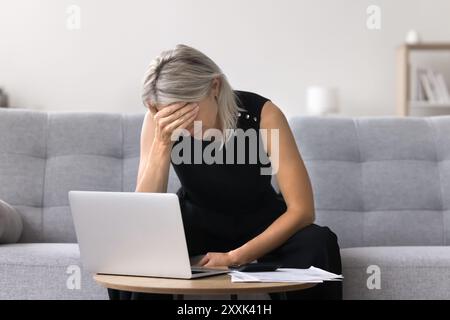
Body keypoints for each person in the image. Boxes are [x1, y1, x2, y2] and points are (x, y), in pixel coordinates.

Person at [108, 44, 342, 300]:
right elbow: (142, 214)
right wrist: (162, 144)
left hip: (260, 224)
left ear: (215, 87)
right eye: (172, 115)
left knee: (319, 242)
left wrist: (234, 257)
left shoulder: (263, 115)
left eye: (187, 111)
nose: (182, 126)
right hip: (194, 224)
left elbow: (302, 210)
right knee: (132, 249)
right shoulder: (158, 122)